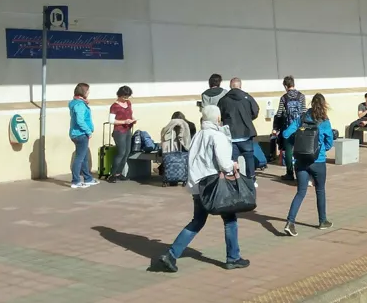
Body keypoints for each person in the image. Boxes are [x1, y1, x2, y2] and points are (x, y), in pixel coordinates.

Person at [157, 105, 249, 272]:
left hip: (198, 185)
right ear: (217, 118)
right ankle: (233, 257)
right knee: (230, 220)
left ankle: (171, 254)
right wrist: (233, 165)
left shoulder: (198, 135)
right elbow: (224, 163)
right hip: (215, 186)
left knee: (197, 221)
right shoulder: (217, 136)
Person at [282, 94, 334, 237]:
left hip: (300, 160)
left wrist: (296, 143)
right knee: (320, 190)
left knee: (300, 192)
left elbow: (286, 134)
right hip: (318, 160)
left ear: (311, 103)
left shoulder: (302, 117)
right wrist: (323, 148)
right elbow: (330, 142)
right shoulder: (324, 121)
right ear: (324, 105)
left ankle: (290, 222)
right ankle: (323, 221)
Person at [219, 78, 260, 187]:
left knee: (232, 160)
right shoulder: (247, 98)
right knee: (249, 158)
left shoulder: (224, 100)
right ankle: (251, 179)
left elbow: (220, 115)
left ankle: (233, 180)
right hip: (246, 133)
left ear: (230, 86)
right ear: (240, 86)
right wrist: (248, 118)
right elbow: (255, 111)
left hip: (231, 135)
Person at [272, 75, 307, 181]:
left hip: (288, 127)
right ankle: (301, 172)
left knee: (289, 151)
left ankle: (289, 173)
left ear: (286, 86)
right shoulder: (301, 96)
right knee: (301, 150)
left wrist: (275, 128)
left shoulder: (284, 98)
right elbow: (304, 112)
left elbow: (279, 114)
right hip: (300, 128)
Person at [68, 83, 99, 189]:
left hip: (77, 133)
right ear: (83, 92)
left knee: (84, 157)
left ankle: (88, 178)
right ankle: (76, 181)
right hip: (80, 134)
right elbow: (80, 121)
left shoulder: (76, 103)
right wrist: (88, 131)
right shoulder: (79, 105)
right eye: (88, 91)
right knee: (79, 158)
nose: (89, 93)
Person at [108, 85, 136, 183]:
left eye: (127, 97)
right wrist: (124, 122)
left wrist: (132, 120)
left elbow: (130, 114)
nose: (126, 99)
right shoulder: (114, 106)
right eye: (124, 97)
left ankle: (119, 173)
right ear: (119, 95)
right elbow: (111, 120)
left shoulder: (128, 103)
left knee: (127, 152)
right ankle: (112, 174)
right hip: (119, 131)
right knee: (121, 152)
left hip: (128, 130)